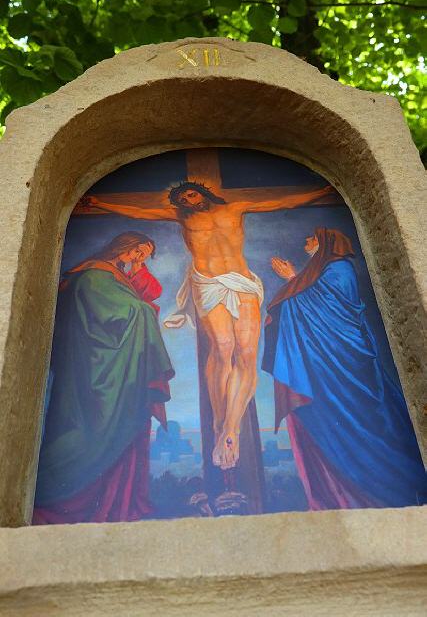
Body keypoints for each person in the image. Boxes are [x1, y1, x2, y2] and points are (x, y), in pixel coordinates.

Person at [82, 180, 335, 470]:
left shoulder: (236, 208)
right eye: (183, 199)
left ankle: (231, 428)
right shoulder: (182, 218)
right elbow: (140, 211)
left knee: (246, 353)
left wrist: (322, 192)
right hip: (208, 283)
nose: (189, 200)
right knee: (223, 347)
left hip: (242, 282)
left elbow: (282, 201)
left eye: (192, 194)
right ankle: (219, 422)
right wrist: (100, 202)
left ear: (203, 193)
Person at [262, 227, 427, 509]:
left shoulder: (339, 269)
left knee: (362, 424)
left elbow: (331, 311)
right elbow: (312, 301)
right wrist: (296, 280)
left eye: (312, 238)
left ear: (326, 242)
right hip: (328, 362)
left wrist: (291, 278)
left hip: (345, 361)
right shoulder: (321, 271)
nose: (307, 241)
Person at [33, 232, 175, 523]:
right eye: (137, 251)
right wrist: (144, 311)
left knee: (126, 427)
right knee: (92, 429)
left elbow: (148, 293)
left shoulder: (115, 276)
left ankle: (120, 506)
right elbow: (129, 311)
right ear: (123, 246)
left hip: (113, 368)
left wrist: (138, 271)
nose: (139, 258)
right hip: (98, 373)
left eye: (145, 255)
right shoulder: (94, 276)